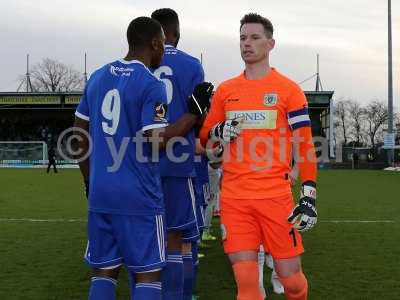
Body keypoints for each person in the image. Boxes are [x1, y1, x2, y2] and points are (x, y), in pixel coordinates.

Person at [73, 16, 212, 300]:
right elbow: (155, 141)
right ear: (155, 43)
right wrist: (191, 116)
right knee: (148, 274)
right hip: (139, 196)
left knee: (103, 272)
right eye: (162, 45)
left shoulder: (98, 76)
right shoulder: (150, 84)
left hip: (101, 193)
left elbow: (78, 139)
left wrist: (89, 181)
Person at [200, 13, 318, 300]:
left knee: (292, 283)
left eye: (254, 37)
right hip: (235, 200)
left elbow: (304, 145)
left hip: (276, 198)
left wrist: (308, 195)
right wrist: (218, 129)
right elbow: (204, 136)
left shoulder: (289, 90)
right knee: (247, 285)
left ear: (271, 43)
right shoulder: (226, 91)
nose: (246, 43)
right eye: (242, 38)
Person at [151, 8, 209, 300]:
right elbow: (200, 117)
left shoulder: (140, 63)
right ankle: (183, 295)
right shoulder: (191, 65)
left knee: (148, 241)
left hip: (143, 164)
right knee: (182, 241)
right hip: (179, 162)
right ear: (177, 32)